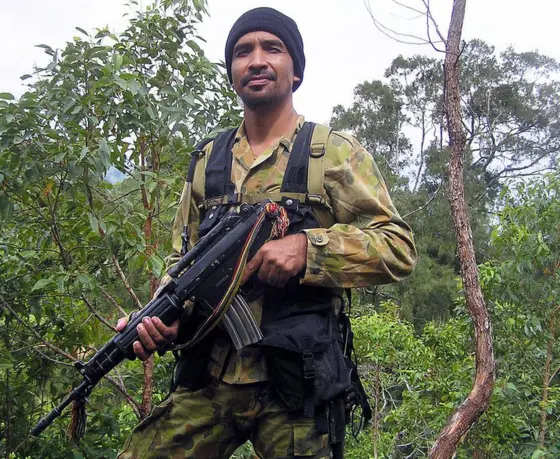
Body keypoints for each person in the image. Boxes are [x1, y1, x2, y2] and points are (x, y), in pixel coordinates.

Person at [116, 7, 416, 459]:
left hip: (296, 385)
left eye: (271, 48)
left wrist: (308, 249)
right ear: (232, 72)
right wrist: (165, 314)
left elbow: (397, 247)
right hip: (209, 378)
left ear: (295, 70)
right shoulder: (207, 160)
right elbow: (182, 261)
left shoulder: (330, 153)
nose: (256, 60)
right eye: (242, 52)